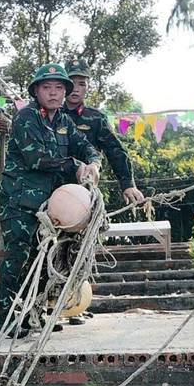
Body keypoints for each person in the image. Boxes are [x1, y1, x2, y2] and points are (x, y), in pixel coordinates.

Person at [0, 63, 101, 338]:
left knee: (43, 259)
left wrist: (93, 162)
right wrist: (75, 165)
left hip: (48, 205)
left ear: (65, 92)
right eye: (47, 87)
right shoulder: (26, 117)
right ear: (36, 91)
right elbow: (35, 158)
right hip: (19, 200)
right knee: (18, 255)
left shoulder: (64, 121)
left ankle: (34, 314)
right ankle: (4, 316)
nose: (53, 93)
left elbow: (85, 145)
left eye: (59, 88)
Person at [63, 58, 143, 325]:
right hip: (56, 192)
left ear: (88, 87)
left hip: (86, 193)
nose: (76, 88)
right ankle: (48, 305)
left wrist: (127, 184)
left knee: (82, 249)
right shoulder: (49, 113)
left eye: (82, 83)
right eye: (72, 82)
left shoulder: (95, 118)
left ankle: (75, 304)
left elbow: (116, 152)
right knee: (49, 247)